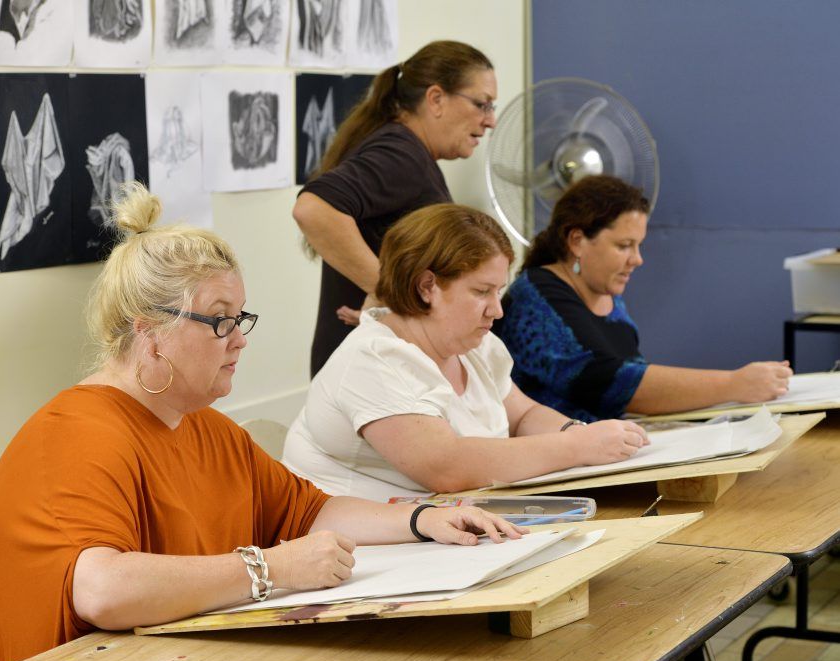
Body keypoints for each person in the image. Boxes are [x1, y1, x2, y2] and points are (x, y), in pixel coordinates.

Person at [0, 184, 525, 661]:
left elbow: (305, 511)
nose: (239, 339)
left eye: (241, 318)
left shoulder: (204, 427)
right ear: (151, 330)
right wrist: (271, 569)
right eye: (221, 319)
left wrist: (424, 519)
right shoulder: (75, 435)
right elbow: (102, 590)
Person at [281, 203, 649, 501]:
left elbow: (523, 415)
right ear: (428, 286)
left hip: (435, 534)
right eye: (481, 292)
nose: (497, 309)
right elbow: (447, 467)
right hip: (359, 556)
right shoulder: (373, 360)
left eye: (498, 290)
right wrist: (577, 446)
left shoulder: (473, 343)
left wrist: (579, 433)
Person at [497, 175, 793, 422]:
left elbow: (633, 377)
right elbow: (608, 382)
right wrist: (734, 385)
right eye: (624, 246)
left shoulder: (605, 292)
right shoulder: (534, 297)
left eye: (638, 245)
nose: (637, 259)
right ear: (577, 241)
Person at [293, 40, 498, 376]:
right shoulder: (401, 155)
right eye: (482, 105)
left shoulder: (407, 151)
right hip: (368, 372)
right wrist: (390, 293)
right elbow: (313, 208)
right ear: (435, 99)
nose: (489, 121)